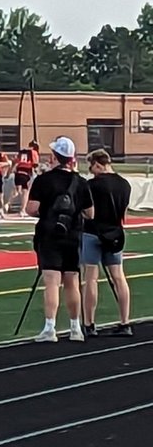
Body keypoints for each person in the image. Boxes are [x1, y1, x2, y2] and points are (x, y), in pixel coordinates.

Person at [25, 136, 94, 343]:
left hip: (49, 235)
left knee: (52, 282)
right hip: (72, 236)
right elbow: (90, 213)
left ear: (54, 157)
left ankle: (50, 328)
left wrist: (47, 213)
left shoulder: (43, 180)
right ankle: (75, 328)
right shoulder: (80, 182)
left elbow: (31, 209)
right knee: (73, 281)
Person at [82, 149, 133, 337]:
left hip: (92, 232)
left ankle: (89, 323)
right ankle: (125, 321)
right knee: (119, 277)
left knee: (90, 279)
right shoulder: (124, 184)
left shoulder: (91, 185)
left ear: (97, 164)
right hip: (115, 233)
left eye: (91, 166)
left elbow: (89, 212)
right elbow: (124, 213)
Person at [11, 140, 40, 216]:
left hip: (18, 172)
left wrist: (11, 170)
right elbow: (35, 164)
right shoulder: (33, 152)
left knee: (17, 191)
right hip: (26, 173)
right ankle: (22, 210)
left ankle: (5, 205)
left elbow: (16, 161)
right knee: (25, 192)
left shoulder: (22, 152)